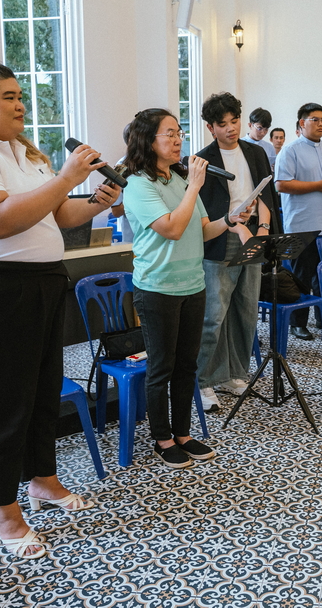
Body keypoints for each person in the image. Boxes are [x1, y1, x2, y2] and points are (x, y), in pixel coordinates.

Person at [0, 58, 119, 560]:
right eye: (9, 97)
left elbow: (59, 215)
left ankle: (43, 480)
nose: (21, 106)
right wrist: (68, 176)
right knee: (2, 403)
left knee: (41, 392)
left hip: (40, 283)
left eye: (21, 97)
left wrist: (98, 200)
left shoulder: (22, 151)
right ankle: (5, 513)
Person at [122, 108, 250, 467]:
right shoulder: (137, 184)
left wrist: (229, 220)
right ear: (148, 140)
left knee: (186, 366)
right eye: (169, 133)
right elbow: (173, 229)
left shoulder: (179, 178)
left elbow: (202, 230)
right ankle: (162, 439)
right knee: (161, 367)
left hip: (193, 284)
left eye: (179, 132)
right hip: (157, 287)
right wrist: (195, 185)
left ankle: (182, 433)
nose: (178, 140)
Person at [194, 93, 275, 412]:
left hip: (253, 233)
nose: (231, 128)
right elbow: (205, 210)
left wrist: (264, 228)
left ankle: (234, 373)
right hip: (221, 237)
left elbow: (265, 192)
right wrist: (236, 228)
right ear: (210, 127)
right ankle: (204, 379)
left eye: (235, 121)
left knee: (246, 308)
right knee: (214, 314)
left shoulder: (255, 152)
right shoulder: (203, 160)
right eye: (223, 124)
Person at [274, 102, 322, 340]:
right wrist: (319, 186)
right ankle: (298, 323)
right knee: (301, 277)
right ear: (302, 123)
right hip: (303, 225)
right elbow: (282, 184)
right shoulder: (290, 151)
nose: (320, 124)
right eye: (315, 120)